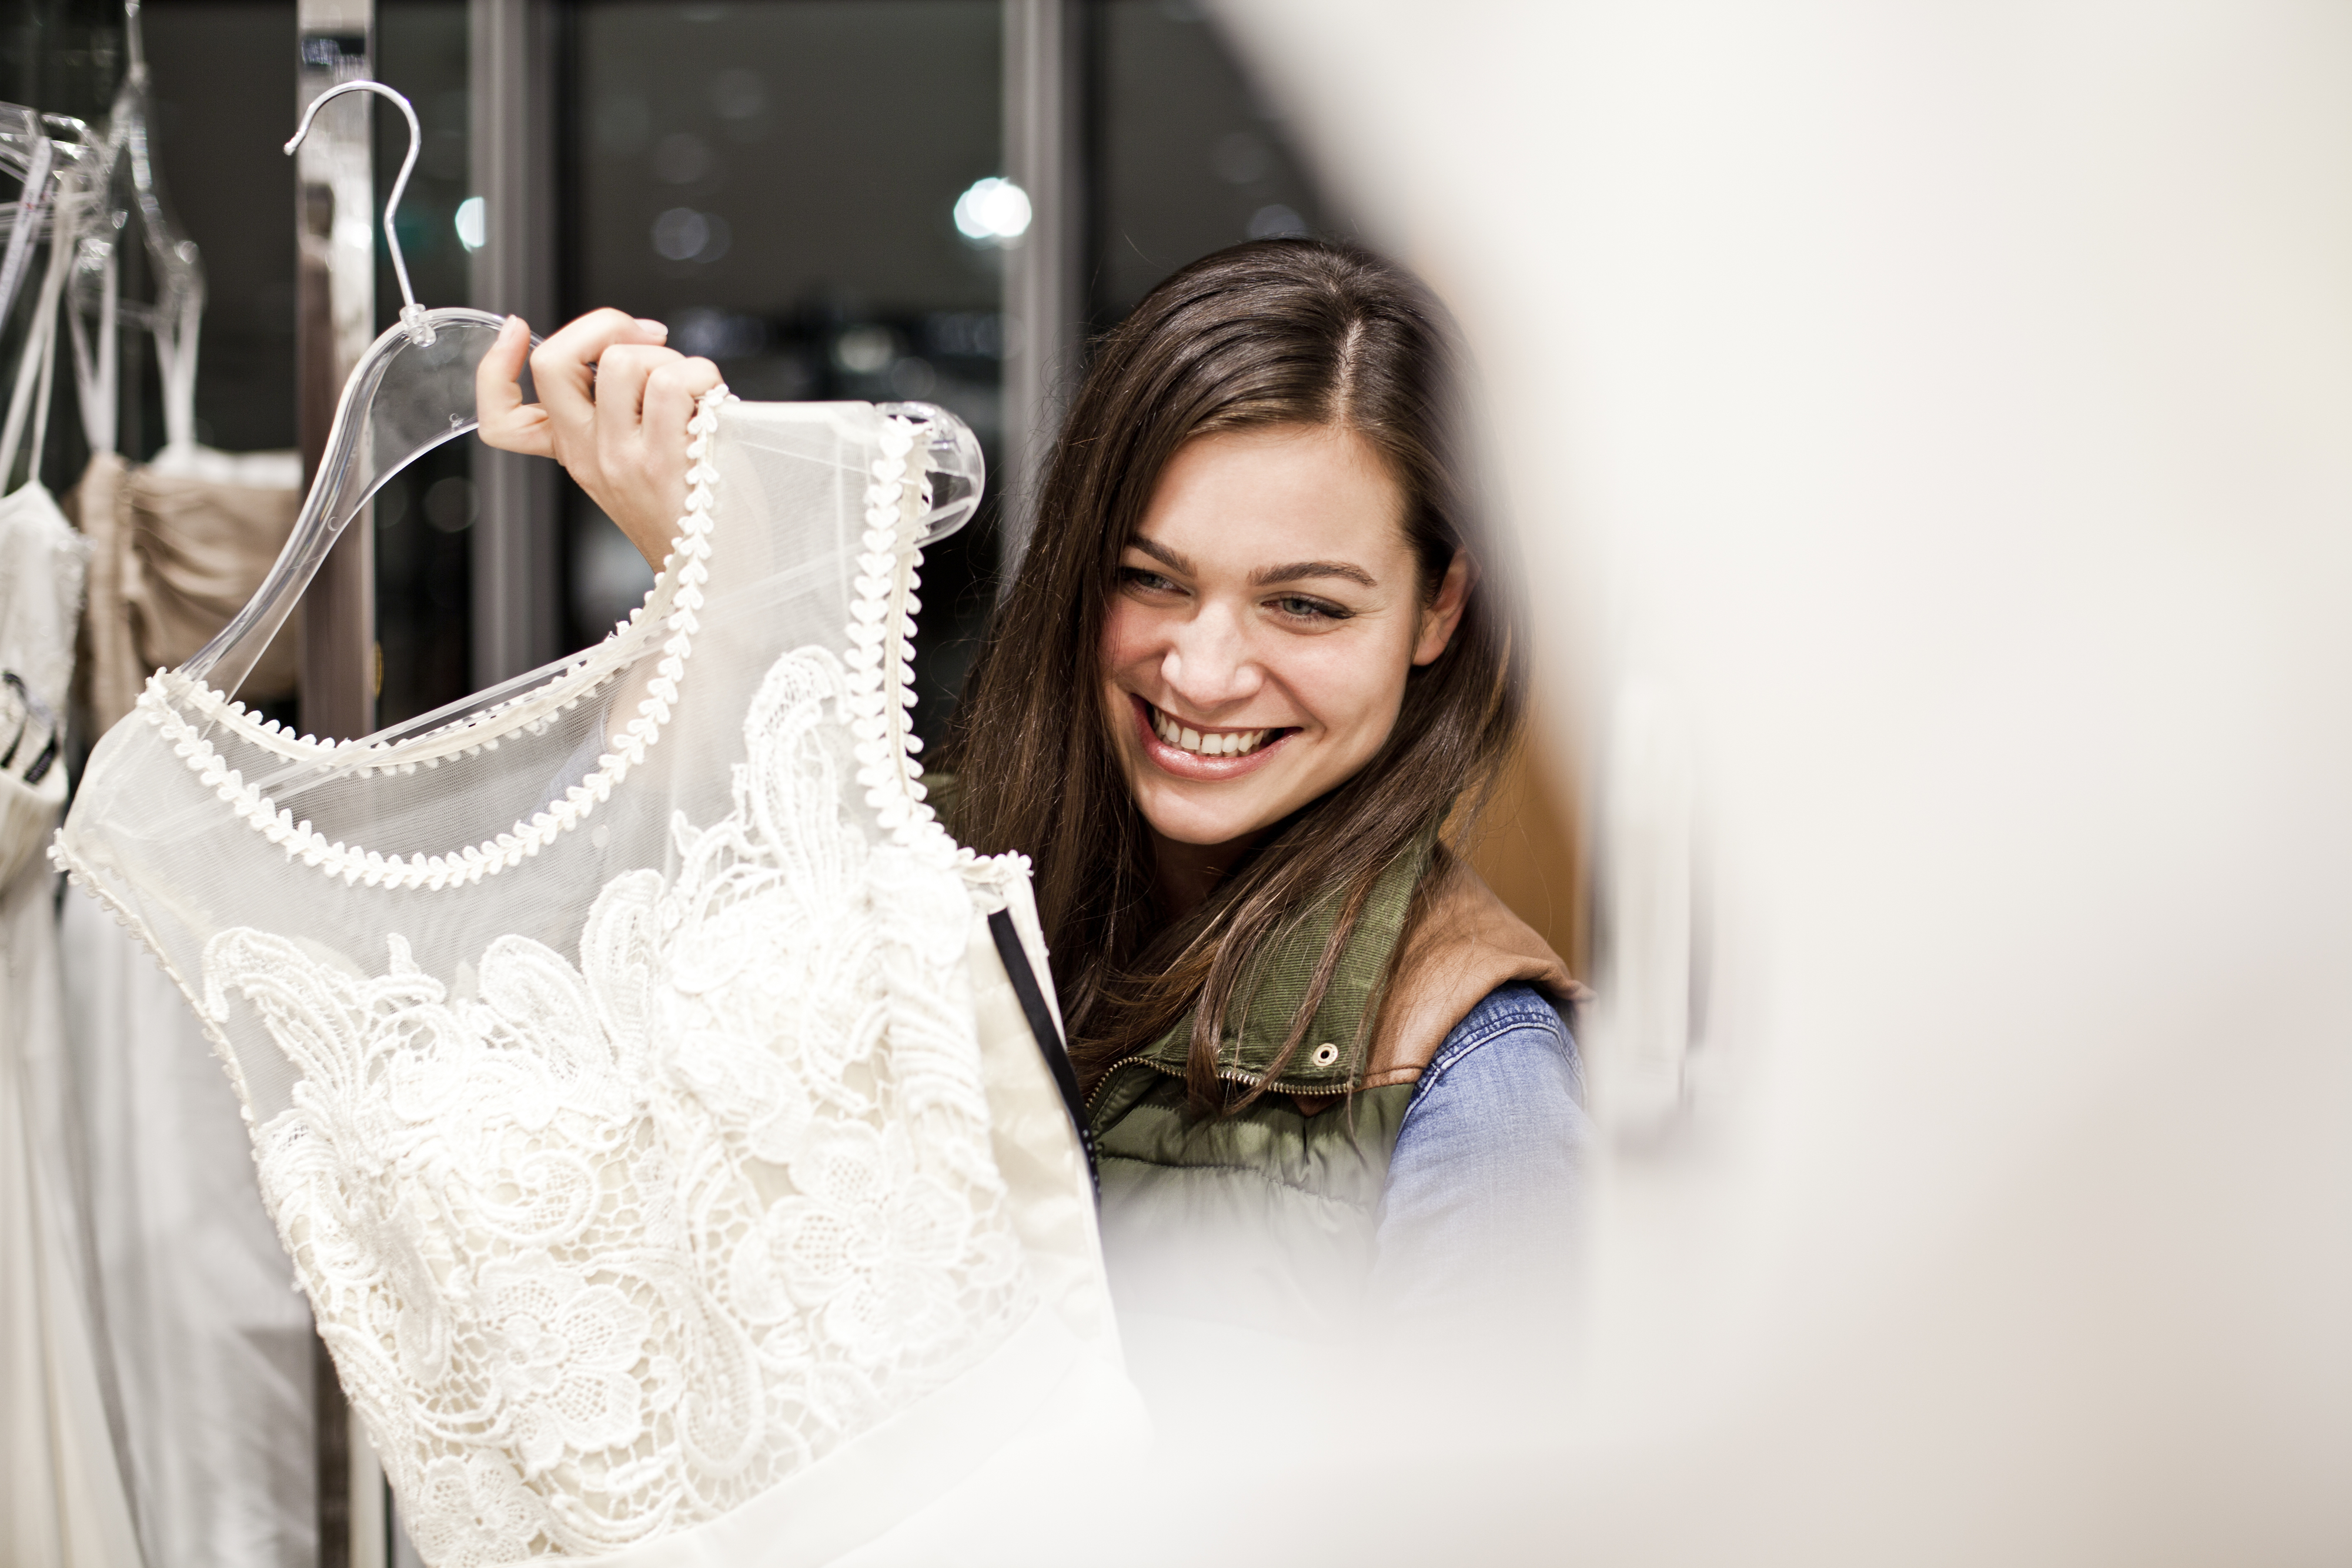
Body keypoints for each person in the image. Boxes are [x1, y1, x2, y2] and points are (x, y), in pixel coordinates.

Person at [478, 238, 1592, 1338]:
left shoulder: (1481, 1077)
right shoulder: (930, 864)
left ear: (1439, 608)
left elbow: (1476, 1521)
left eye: (1305, 606)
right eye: (1149, 580)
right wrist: (713, 579)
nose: (1203, 674)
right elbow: (612, 1044)